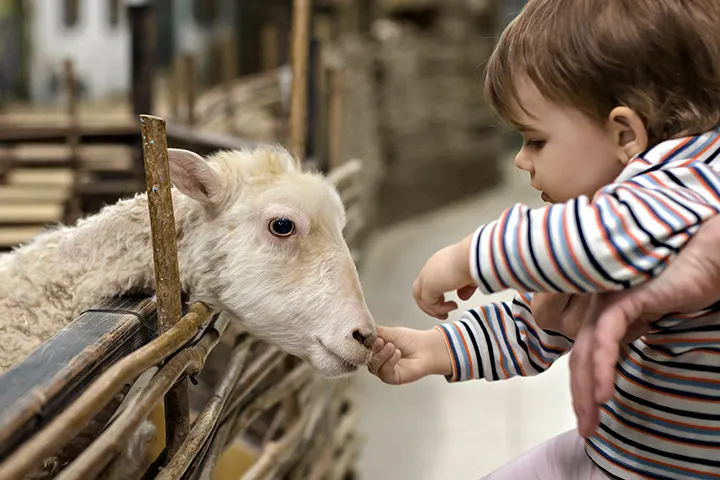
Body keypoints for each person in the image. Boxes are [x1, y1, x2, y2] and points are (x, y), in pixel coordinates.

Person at [368, 0, 720, 478]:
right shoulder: (628, 227)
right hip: (613, 454)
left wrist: (472, 256)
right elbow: (540, 318)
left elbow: (589, 240)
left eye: (535, 140)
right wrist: (439, 349)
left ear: (625, 133)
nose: (521, 160)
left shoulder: (688, 183)